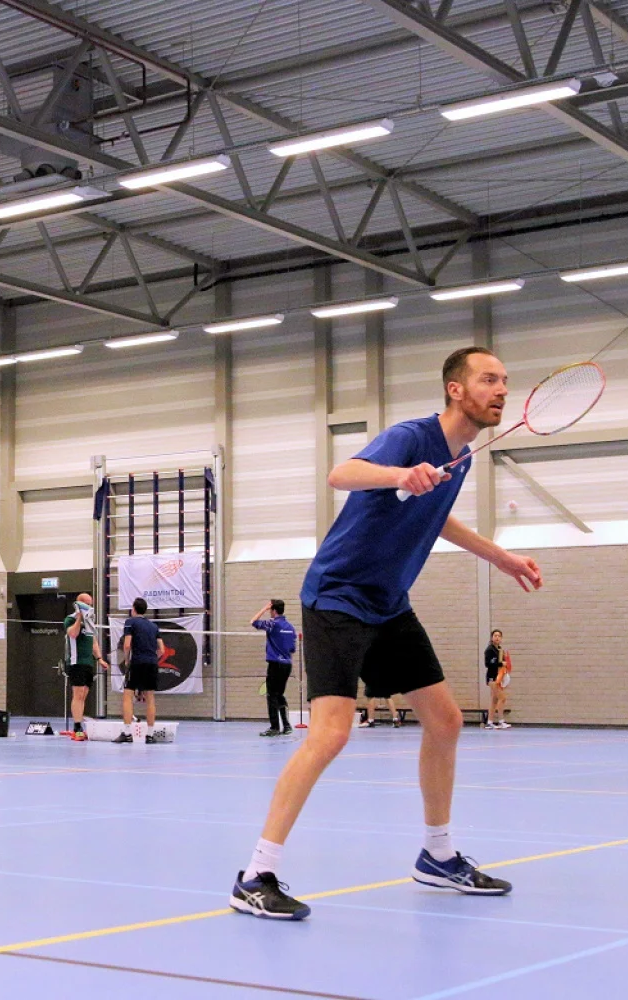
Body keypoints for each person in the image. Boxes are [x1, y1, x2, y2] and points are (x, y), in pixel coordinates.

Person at [230, 346, 543, 921]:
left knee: (446, 720)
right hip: (338, 596)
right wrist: (401, 472)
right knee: (330, 734)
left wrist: (498, 556)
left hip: (388, 604)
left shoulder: (464, 457)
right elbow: (341, 473)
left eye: (505, 380)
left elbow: (436, 514)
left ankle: (438, 855)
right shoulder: (410, 437)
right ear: (456, 389)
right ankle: (256, 874)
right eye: (489, 379)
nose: (501, 390)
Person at [114, 598, 165, 744]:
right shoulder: (153, 626)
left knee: (127, 696)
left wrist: (127, 660)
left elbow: (127, 645)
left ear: (134, 609)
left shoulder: (131, 622)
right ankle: (149, 735)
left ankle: (127, 733)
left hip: (137, 662)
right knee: (150, 698)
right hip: (151, 663)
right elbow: (161, 649)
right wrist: (153, 658)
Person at [64, 594, 107, 741]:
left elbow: (93, 642)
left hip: (88, 663)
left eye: (91, 604)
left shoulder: (90, 623)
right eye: (86, 604)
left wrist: (100, 658)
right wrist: (79, 618)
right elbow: (73, 634)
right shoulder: (70, 619)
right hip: (77, 662)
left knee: (84, 696)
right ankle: (77, 727)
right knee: (78, 694)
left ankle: (79, 725)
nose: (89, 607)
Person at [251, 599, 297, 736]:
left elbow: (253, 622)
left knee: (271, 695)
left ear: (273, 610)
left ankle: (274, 727)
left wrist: (264, 609)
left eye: (270, 609)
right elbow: (292, 649)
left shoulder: (273, 624)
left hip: (275, 665)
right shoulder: (290, 627)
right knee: (279, 695)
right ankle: (287, 725)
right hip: (287, 665)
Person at [484, 630, 512, 729]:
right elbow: (487, 664)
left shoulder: (500, 649)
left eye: (499, 636)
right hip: (492, 678)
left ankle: (489, 722)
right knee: (502, 698)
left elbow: (503, 663)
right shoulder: (489, 650)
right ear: (492, 637)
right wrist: (500, 664)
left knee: (494, 700)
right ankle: (501, 721)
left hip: (499, 677)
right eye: (495, 635)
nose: (497, 637)